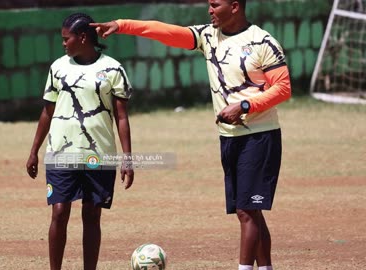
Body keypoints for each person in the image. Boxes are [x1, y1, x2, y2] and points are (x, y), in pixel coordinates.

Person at [91, 1, 291, 269]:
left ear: (234, 6)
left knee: (246, 211)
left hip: (259, 136)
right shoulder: (208, 36)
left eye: (215, 4)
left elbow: (283, 88)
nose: (209, 10)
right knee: (250, 211)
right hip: (229, 137)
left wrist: (244, 105)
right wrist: (123, 25)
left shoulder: (263, 42)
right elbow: (164, 31)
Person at [26, 13, 134, 270]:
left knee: (92, 215)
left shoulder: (112, 69)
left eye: (67, 38)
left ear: (83, 37)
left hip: (99, 154)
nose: (63, 43)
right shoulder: (58, 68)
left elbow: (121, 117)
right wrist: (34, 151)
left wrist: (126, 158)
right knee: (59, 212)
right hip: (61, 153)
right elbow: (47, 112)